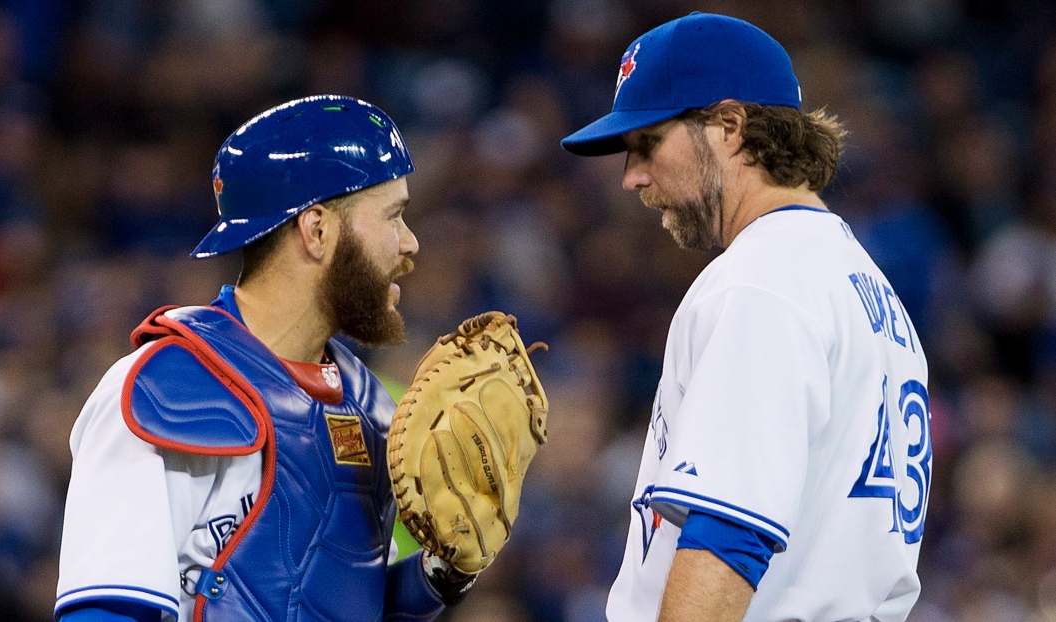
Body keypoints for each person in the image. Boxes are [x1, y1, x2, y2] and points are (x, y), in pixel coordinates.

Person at [561, 13, 930, 622]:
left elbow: (729, 534)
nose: (632, 177)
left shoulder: (763, 280)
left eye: (647, 143)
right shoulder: (866, 286)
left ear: (730, 126)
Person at [54, 95, 475, 622]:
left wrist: (443, 570)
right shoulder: (166, 389)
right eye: (393, 216)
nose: (410, 243)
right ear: (316, 230)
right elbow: (105, 611)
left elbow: (332, 594)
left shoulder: (369, 405)